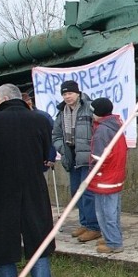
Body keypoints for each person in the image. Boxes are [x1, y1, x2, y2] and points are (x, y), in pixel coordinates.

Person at [0, 84, 61, 277]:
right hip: (33, 187)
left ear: (4, 98)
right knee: (38, 239)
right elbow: (48, 153)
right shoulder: (39, 119)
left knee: (1, 244)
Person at [52, 80, 101, 243]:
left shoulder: (89, 107)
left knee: (87, 193)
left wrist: (94, 149)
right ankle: (85, 223)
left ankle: (94, 227)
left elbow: (100, 128)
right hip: (71, 156)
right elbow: (56, 135)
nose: (67, 97)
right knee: (76, 192)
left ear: (77, 93)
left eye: (70, 93)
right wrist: (62, 149)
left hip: (87, 157)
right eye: (64, 94)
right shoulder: (61, 113)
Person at [88, 98, 128, 254]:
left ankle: (114, 243)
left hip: (104, 177)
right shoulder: (115, 125)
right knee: (114, 210)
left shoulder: (102, 131)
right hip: (115, 175)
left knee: (105, 211)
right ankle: (111, 236)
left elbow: (98, 158)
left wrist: (91, 172)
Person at [22, 93, 57, 172]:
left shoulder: (43, 116)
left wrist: (51, 156)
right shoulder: (43, 115)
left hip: (41, 157)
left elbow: (52, 135)